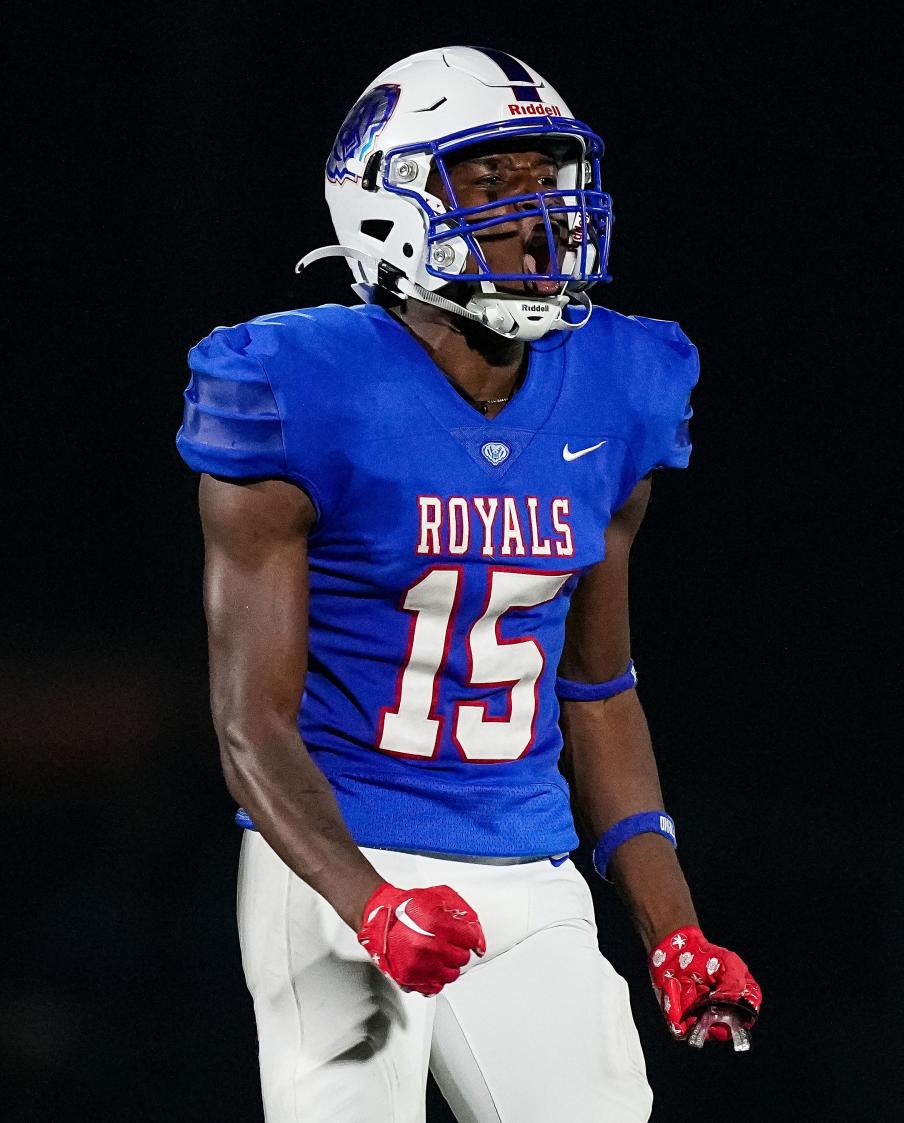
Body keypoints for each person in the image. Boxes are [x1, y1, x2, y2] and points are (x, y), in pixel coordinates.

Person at [177, 45, 761, 1123]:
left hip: (526, 856)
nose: (538, 212)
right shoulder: (292, 386)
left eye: (552, 179)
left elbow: (599, 689)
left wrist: (674, 926)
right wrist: (371, 902)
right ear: (386, 201)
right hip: (338, 856)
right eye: (494, 183)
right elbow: (249, 725)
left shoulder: (617, 390)